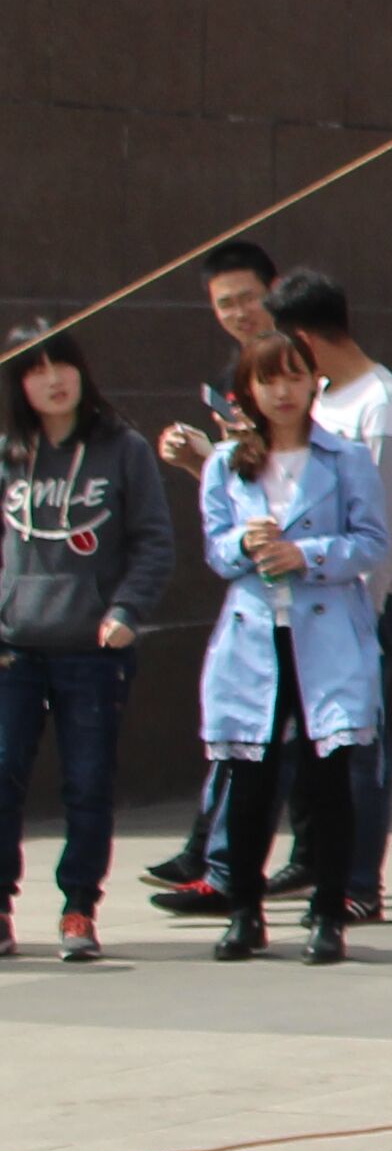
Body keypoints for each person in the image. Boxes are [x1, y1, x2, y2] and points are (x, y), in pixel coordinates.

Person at [196, 332, 390, 963]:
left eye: (293, 377)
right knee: (248, 780)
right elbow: (215, 549)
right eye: (267, 380)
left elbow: (371, 542)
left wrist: (304, 553)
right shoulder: (227, 462)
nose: (281, 392)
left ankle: (329, 909)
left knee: (327, 775)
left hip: (326, 634)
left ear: (314, 383)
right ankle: (244, 910)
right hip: (254, 635)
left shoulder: (345, 457)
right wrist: (247, 548)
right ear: (248, 391)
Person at [4, 324, 174, 965]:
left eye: (62, 364)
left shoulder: (122, 449)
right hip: (13, 648)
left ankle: (79, 909)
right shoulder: (9, 453)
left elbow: (155, 541)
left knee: (87, 782)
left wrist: (126, 609)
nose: (53, 379)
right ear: (19, 383)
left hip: (93, 649)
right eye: (36, 369)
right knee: (2, 776)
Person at [136, 239, 292, 917]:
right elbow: (242, 504)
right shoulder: (237, 376)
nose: (237, 312)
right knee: (242, 730)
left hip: (308, 591)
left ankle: (239, 869)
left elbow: (296, 491)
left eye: (247, 298)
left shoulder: (300, 369)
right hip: (255, 590)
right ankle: (214, 854)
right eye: (223, 304)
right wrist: (207, 463)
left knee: (291, 745)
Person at [265, 273, 392, 920]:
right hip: (302, 602)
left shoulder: (379, 407)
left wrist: (366, 618)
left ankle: (360, 884)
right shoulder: (321, 399)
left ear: (303, 338)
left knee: (358, 748)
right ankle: (317, 861)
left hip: (359, 605)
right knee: (307, 746)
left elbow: (383, 533)